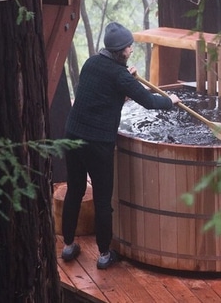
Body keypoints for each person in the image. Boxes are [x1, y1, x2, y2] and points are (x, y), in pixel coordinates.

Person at [60, 22, 181, 269]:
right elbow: (148, 101)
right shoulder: (119, 75)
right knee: (104, 200)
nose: (131, 49)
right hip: (98, 143)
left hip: (72, 134)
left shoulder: (91, 63)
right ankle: (104, 254)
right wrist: (171, 101)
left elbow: (104, 93)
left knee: (75, 190)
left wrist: (127, 79)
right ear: (121, 50)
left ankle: (68, 246)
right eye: (129, 47)